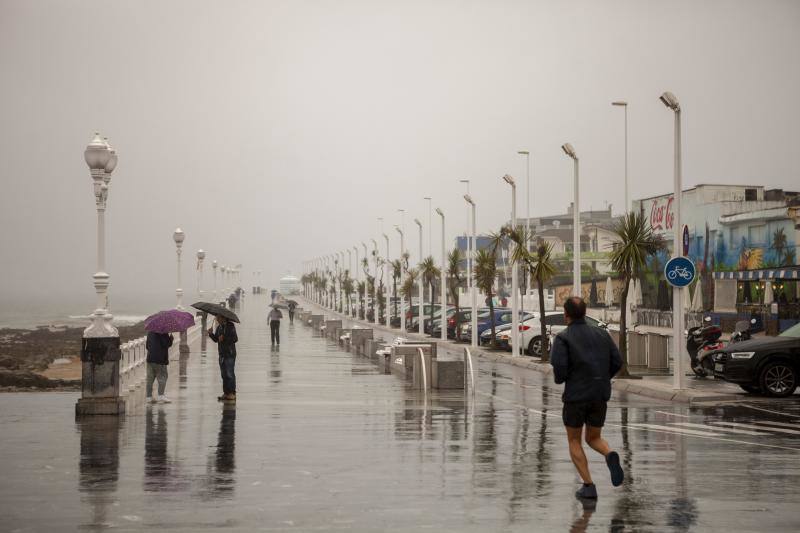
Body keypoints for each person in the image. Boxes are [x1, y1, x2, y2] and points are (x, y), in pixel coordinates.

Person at [550, 296, 624, 500]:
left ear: (566, 315)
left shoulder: (563, 338)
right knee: (594, 437)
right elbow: (617, 361)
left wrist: (564, 378)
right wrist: (601, 377)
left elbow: (560, 369)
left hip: (576, 396)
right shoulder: (602, 334)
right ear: (584, 312)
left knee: (574, 440)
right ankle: (609, 454)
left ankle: (589, 486)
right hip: (599, 394)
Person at [208, 316, 238, 402]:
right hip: (222, 354)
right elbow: (217, 339)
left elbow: (235, 339)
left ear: (223, 318)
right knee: (224, 374)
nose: (217, 319)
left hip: (229, 353)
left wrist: (225, 338)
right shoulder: (219, 327)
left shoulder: (230, 326)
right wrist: (210, 334)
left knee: (229, 374)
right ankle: (226, 392)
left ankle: (232, 393)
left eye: (218, 318)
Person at [145, 331, 174, 404]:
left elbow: (147, 346)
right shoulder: (163, 332)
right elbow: (166, 344)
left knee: (150, 378)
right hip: (160, 359)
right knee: (163, 376)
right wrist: (171, 339)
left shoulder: (150, 332)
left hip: (150, 358)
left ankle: (149, 397)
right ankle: (161, 395)